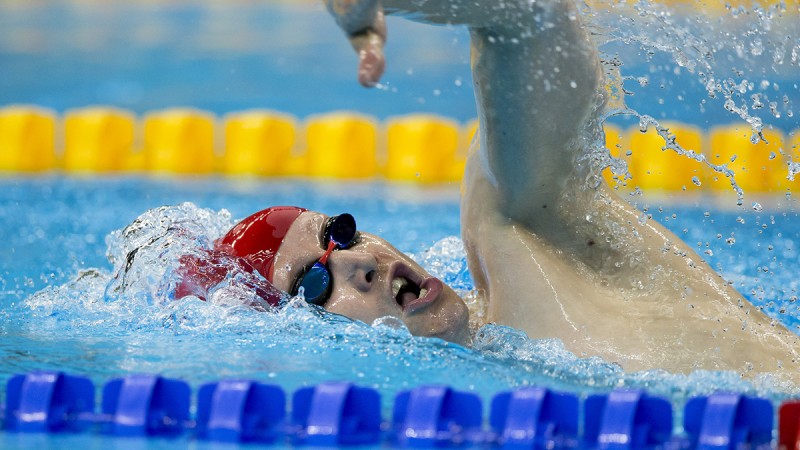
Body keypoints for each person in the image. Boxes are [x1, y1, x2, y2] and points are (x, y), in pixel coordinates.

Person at [177, 0, 800, 380]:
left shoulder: (522, 237)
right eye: (316, 284)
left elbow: (526, 17)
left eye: (340, 234)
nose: (361, 262)